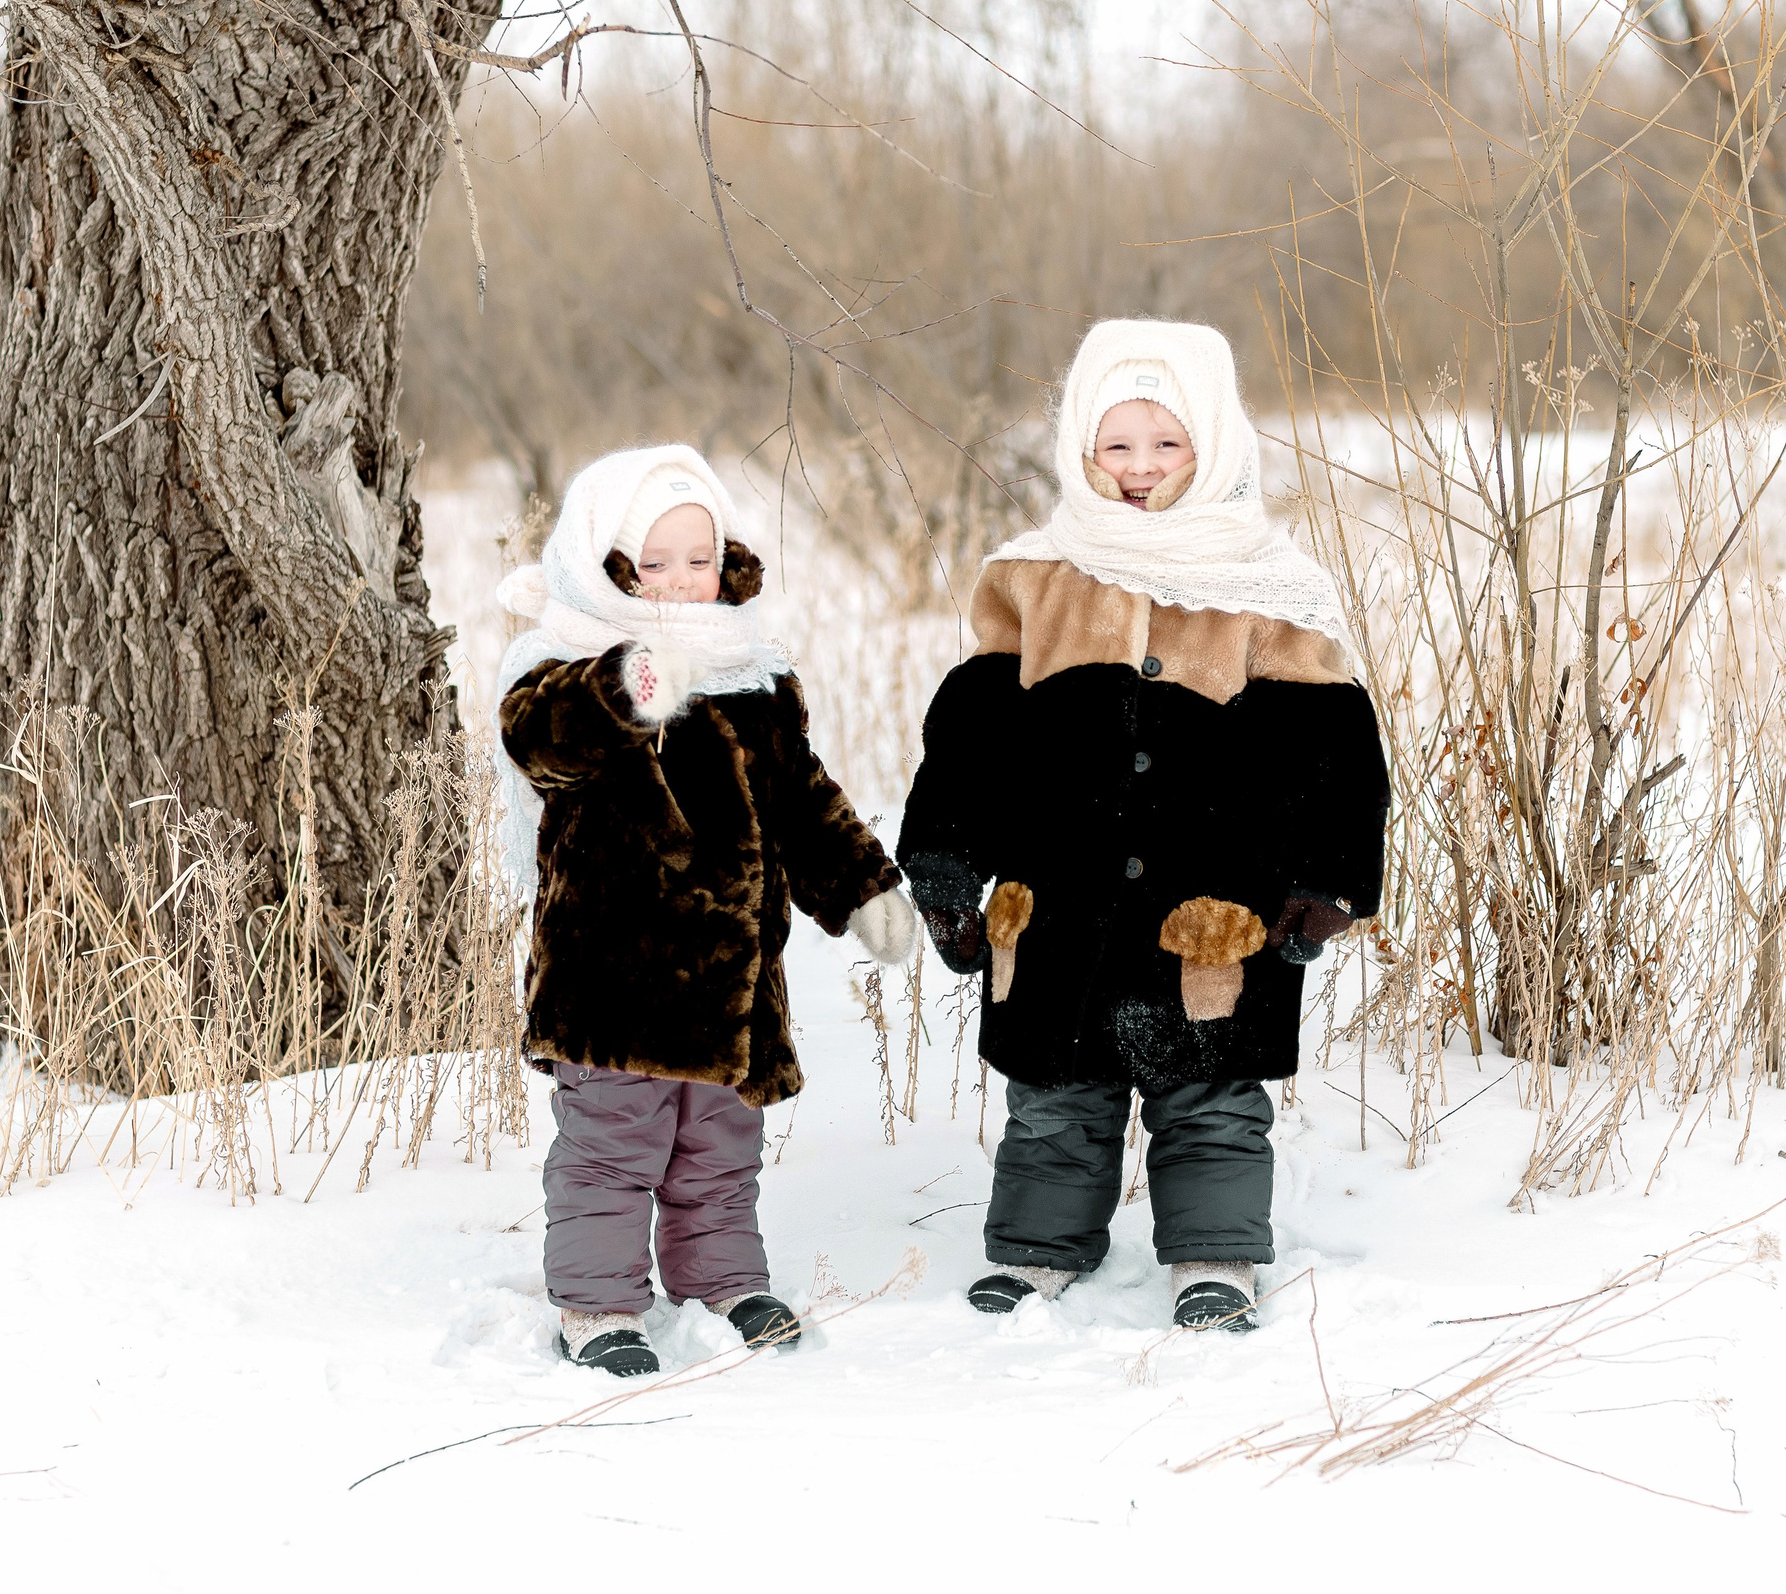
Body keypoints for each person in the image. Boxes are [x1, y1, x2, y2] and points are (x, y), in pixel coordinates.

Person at [897, 320, 1390, 1333]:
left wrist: (1328, 877)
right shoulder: (1038, 575)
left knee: (1208, 1091)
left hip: (1213, 897)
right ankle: (1039, 1252)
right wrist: (946, 854)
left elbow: (1335, 747)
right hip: (1058, 889)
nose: (1138, 469)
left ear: (1214, 443)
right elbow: (972, 737)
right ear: (1079, 448)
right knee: (1053, 1088)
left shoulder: (1265, 583)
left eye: (1166, 445)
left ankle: (1213, 1257)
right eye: (1115, 445)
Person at [497, 445, 919, 1377]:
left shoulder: (754, 682)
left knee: (719, 1146)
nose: (684, 582)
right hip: (614, 984)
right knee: (612, 1147)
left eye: (700, 558)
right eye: (655, 563)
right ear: (606, 566)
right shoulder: (562, 668)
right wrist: (623, 685)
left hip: (733, 983)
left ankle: (720, 1278)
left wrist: (862, 887)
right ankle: (598, 1302)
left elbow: (806, 803)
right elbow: (537, 744)